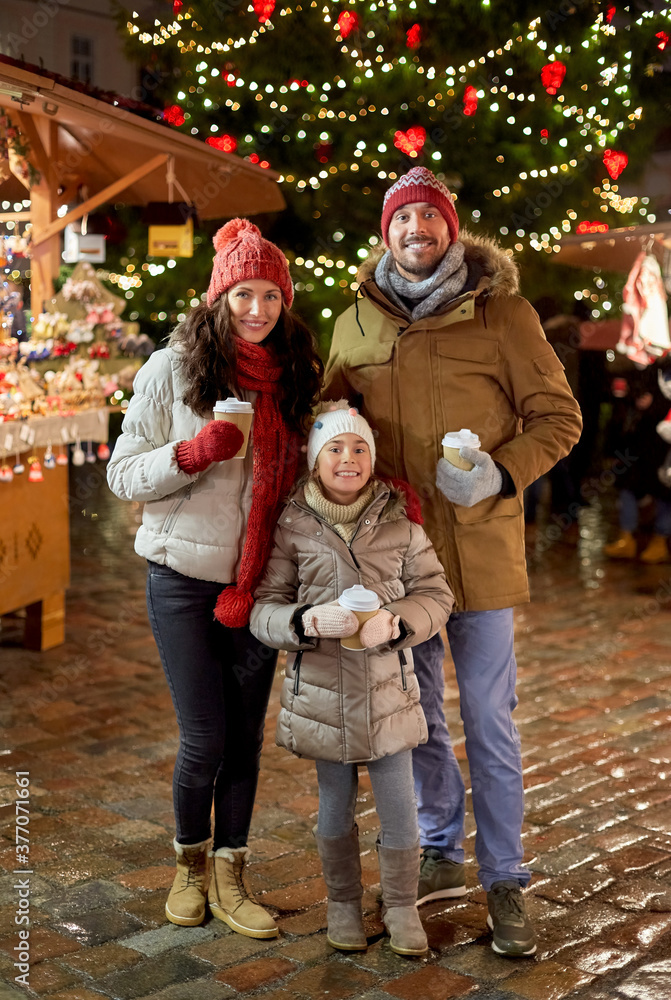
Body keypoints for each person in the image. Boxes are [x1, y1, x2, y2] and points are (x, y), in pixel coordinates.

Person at [323, 167, 582, 957]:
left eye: (429, 220)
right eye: (402, 220)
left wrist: (500, 470)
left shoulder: (503, 316)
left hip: (478, 555)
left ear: (450, 229)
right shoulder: (353, 324)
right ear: (384, 233)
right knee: (420, 716)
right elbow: (331, 423)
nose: (415, 232)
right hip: (399, 559)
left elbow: (558, 417)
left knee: (489, 720)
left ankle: (505, 878)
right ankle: (440, 846)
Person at [107, 218, 323, 936]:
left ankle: (232, 875)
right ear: (217, 298)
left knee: (244, 740)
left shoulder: (293, 377)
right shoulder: (171, 370)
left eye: (269, 295)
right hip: (181, 579)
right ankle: (188, 868)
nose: (257, 310)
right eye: (242, 294)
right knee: (204, 734)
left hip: (257, 585)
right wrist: (191, 453)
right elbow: (121, 473)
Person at [250, 404, 453, 956]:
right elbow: (263, 607)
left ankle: (402, 903)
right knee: (334, 807)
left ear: (372, 460)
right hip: (323, 694)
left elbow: (436, 594)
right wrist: (304, 620)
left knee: (398, 806)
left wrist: (398, 620)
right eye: (335, 449)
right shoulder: (292, 529)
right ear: (316, 462)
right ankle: (342, 902)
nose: (348, 458)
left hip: (388, 693)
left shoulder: (401, 527)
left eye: (359, 448)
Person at [603, 363, 671, 563]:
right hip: (638, 446)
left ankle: (660, 541)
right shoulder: (649, 366)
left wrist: (656, 403)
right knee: (628, 487)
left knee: (666, 494)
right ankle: (627, 539)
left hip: (665, 447)